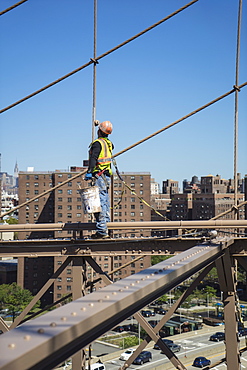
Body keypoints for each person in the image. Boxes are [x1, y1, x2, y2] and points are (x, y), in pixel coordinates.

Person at [85, 121, 113, 239]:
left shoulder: (97, 143)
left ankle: (102, 230)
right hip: (106, 175)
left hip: (99, 175)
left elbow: (93, 158)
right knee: (105, 201)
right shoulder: (109, 143)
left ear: (99, 131)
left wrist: (89, 172)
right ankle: (106, 225)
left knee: (100, 202)